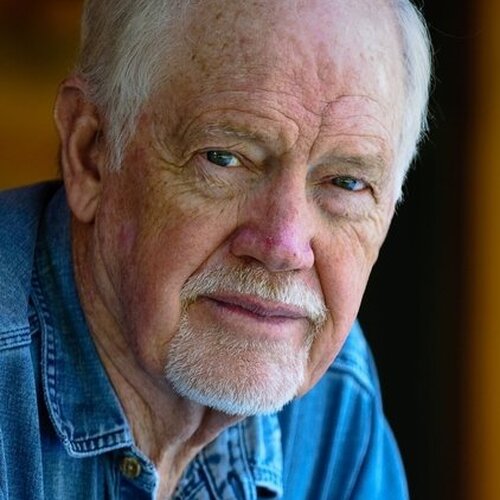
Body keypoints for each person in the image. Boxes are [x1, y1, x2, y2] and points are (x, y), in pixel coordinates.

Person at [0, 0, 431, 498]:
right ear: (90, 154)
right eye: (225, 158)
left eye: (347, 183)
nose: (283, 247)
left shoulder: (331, 394)